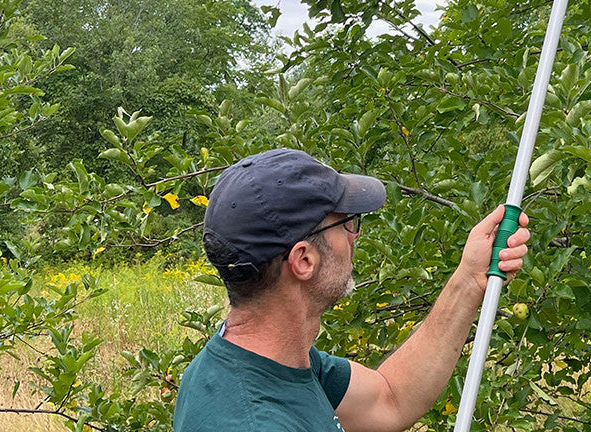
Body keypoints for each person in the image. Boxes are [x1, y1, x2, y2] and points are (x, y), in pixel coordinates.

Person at [173, 147, 530, 432]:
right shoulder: (253, 421)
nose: (354, 236)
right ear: (304, 260)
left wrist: (469, 280)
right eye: (346, 224)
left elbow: (390, 399)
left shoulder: (276, 362)